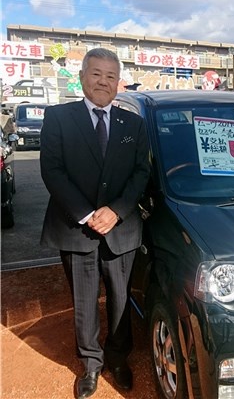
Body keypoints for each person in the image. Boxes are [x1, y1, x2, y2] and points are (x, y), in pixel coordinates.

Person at [40, 48, 150, 399]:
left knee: (120, 300)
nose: (103, 81)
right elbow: (52, 171)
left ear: (119, 82)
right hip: (76, 228)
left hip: (122, 228)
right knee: (85, 301)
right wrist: (88, 214)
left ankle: (118, 357)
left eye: (111, 76)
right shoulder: (58, 117)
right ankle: (90, 363)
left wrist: (116, 210)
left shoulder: (133, 123)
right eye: (96, 73)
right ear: (82, 77)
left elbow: (141, 172)